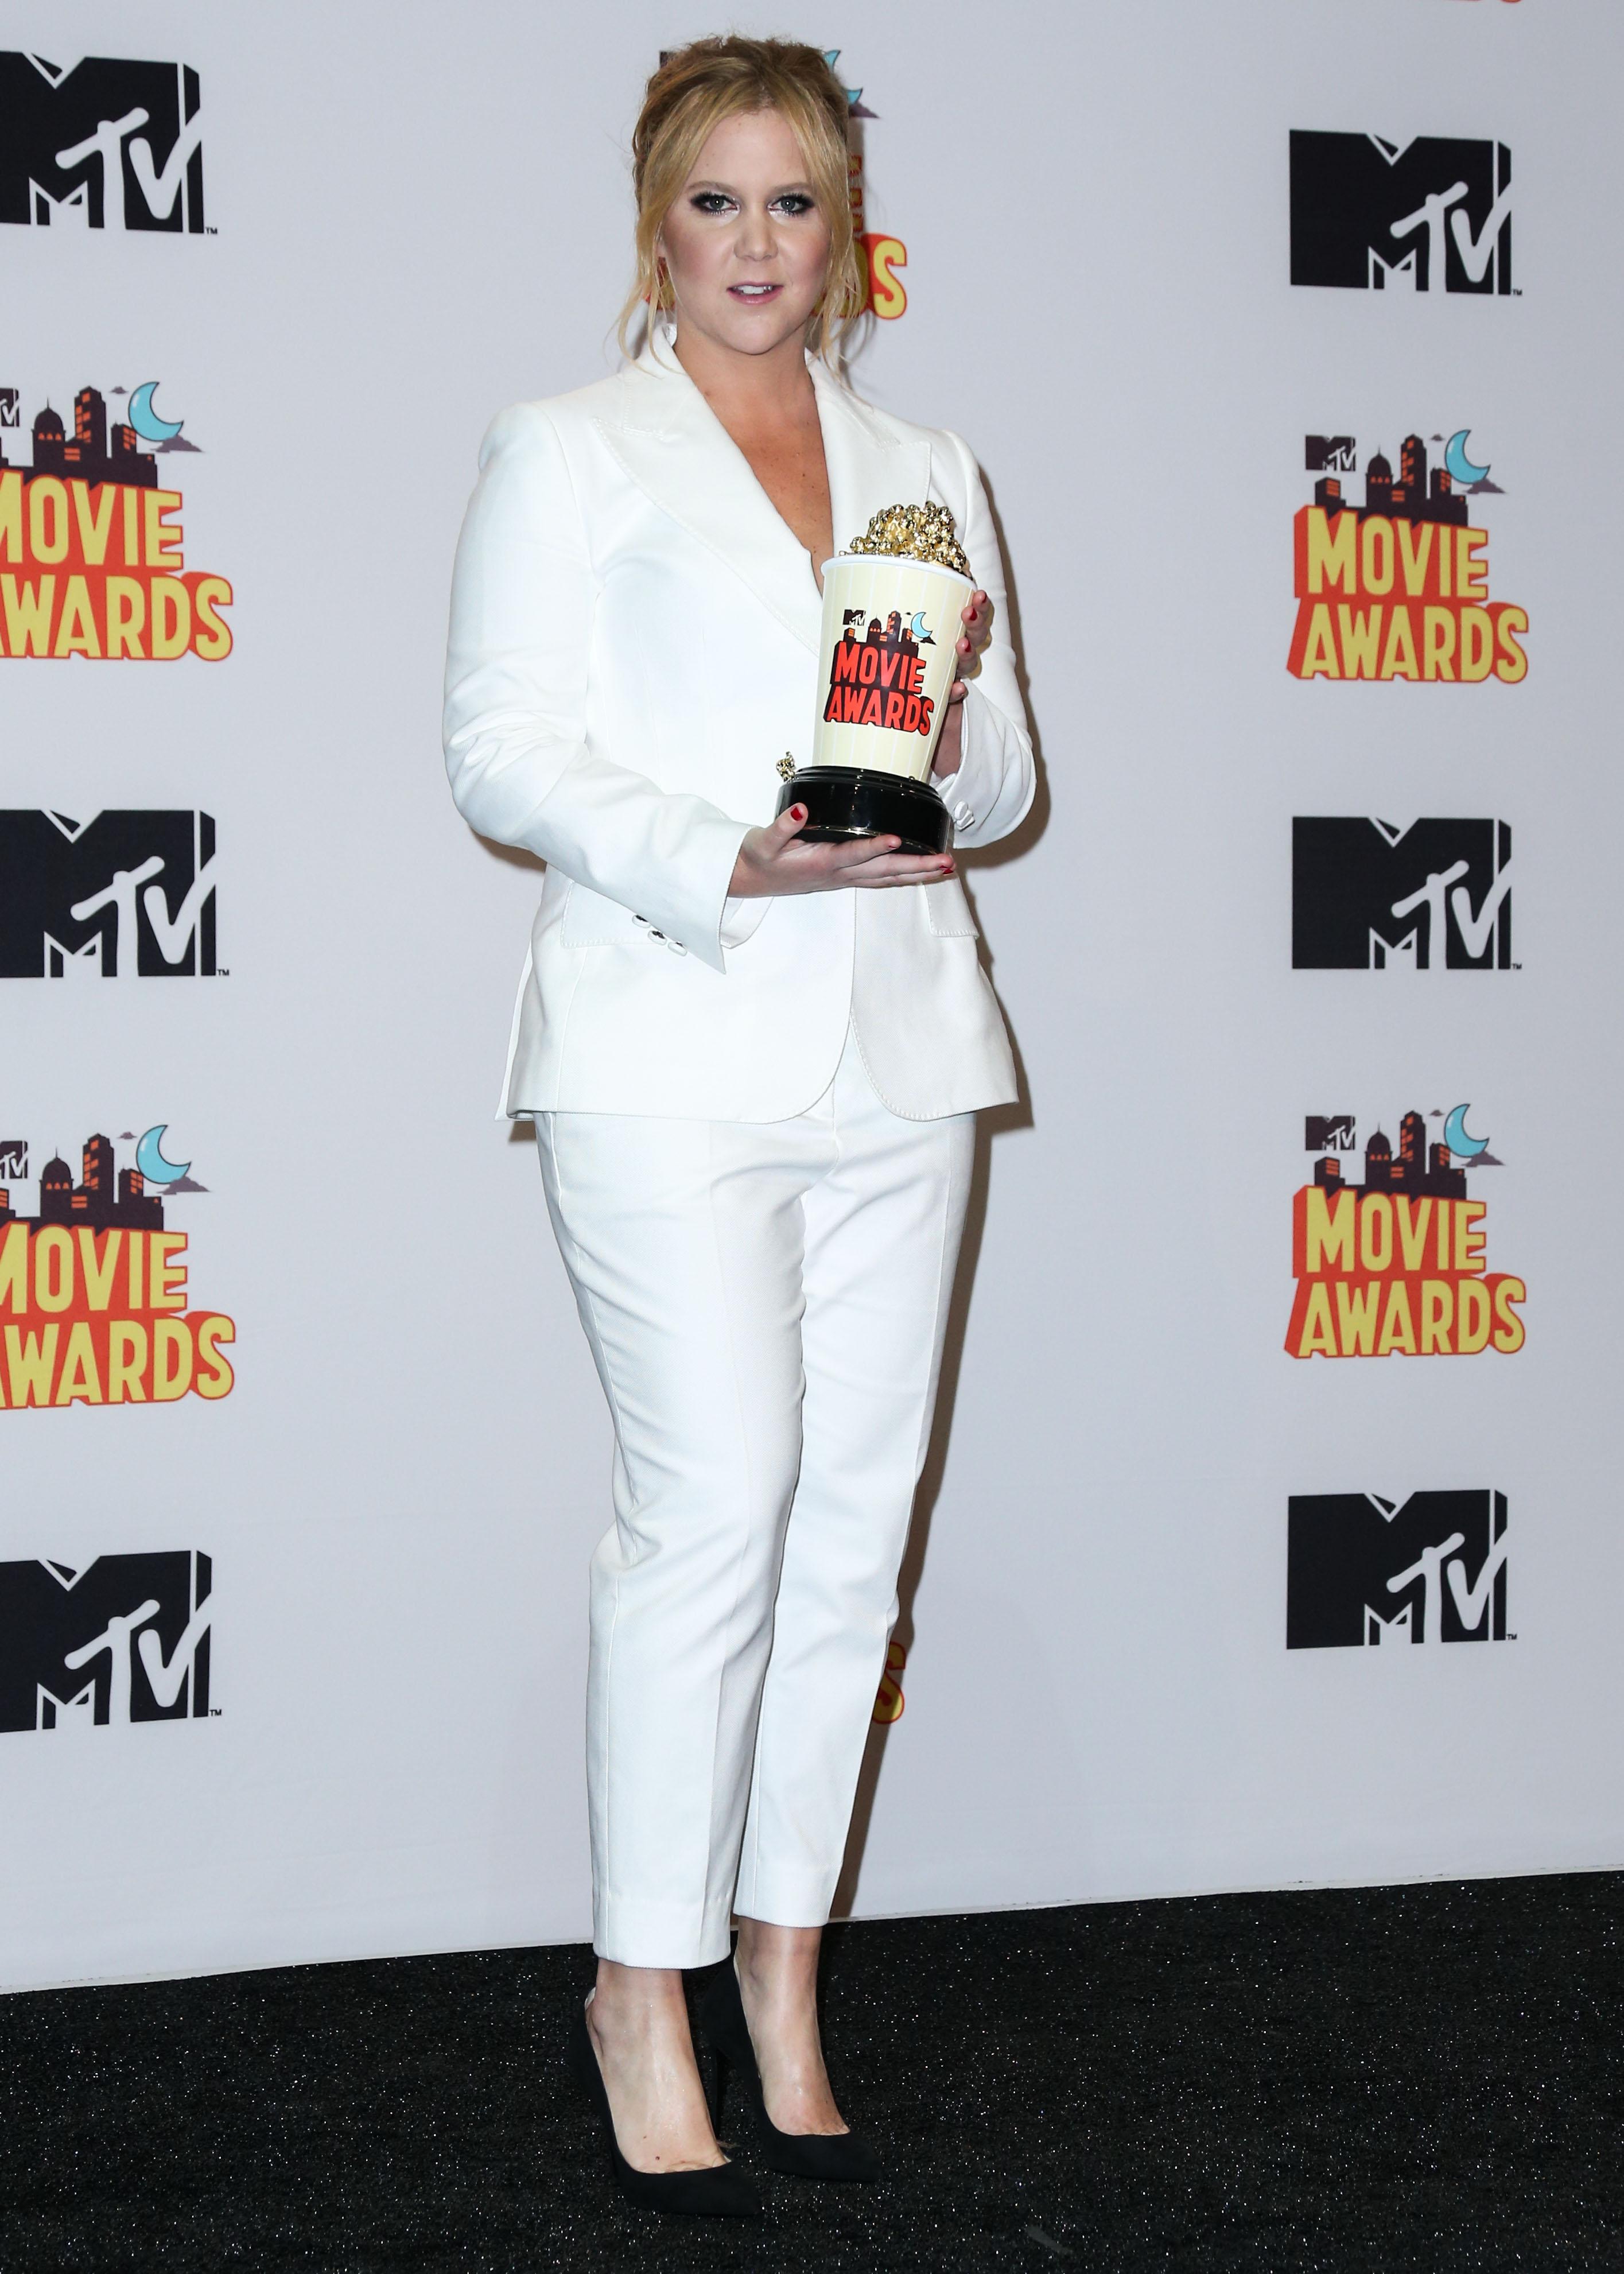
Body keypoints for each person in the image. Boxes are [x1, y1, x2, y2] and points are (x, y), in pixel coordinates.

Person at [444, 34, 1034, 2219]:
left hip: (902, 1046)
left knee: (856, 1521)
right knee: (713, 1513)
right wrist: (728, 853)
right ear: (655, 224)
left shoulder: (928, 459)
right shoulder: (569, 448)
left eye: (797, 203)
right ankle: (641, 1980)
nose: (760, 244)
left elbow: (999, 785)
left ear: (848, 226)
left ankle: (786, 1959)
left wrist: (936, 763)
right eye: (719, 202)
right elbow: (498, 748)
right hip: (668, 1038)